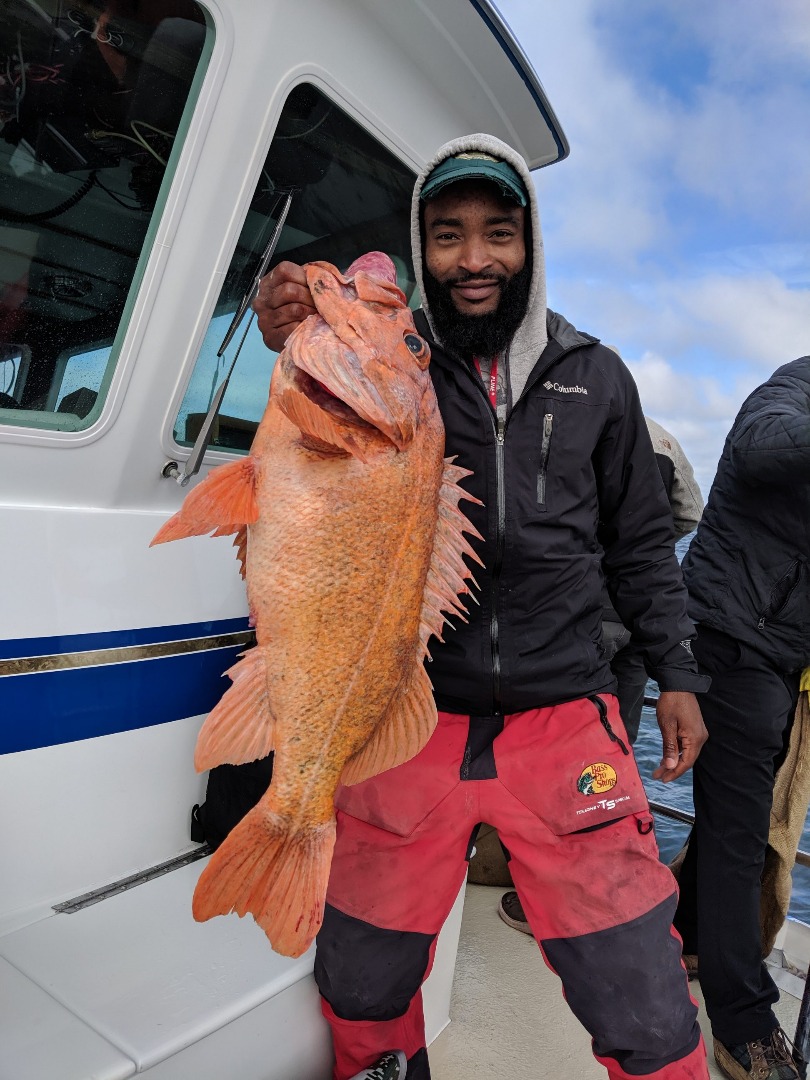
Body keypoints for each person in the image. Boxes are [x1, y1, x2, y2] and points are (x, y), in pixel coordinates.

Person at [254, 134, 711, 1080]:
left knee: (642, 993)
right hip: (409, 712)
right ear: (423, 249)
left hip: (563, 712)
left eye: (497, 234)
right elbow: (329, 402)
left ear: (531, 244)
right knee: (363, 977)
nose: (473, 261)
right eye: (448, 235)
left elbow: (639, 547)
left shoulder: (599, 379)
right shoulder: (401, 368)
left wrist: (679, 674)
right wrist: (292, 320)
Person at [498, 416, 704, 935]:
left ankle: (539, 891)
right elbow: (687, 515)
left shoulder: (559, 428)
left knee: (548, 746)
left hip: (570, 613)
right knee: (614, 747)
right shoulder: (663, 438)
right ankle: (600, 890)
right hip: (634, 617)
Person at [672, 358, 810, 1080]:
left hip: (784, 654)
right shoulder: (794, 387)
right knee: (739, 828)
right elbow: (760, 443)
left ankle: (684, 930)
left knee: (729, 814)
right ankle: (744, 1023)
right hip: (728, 636)